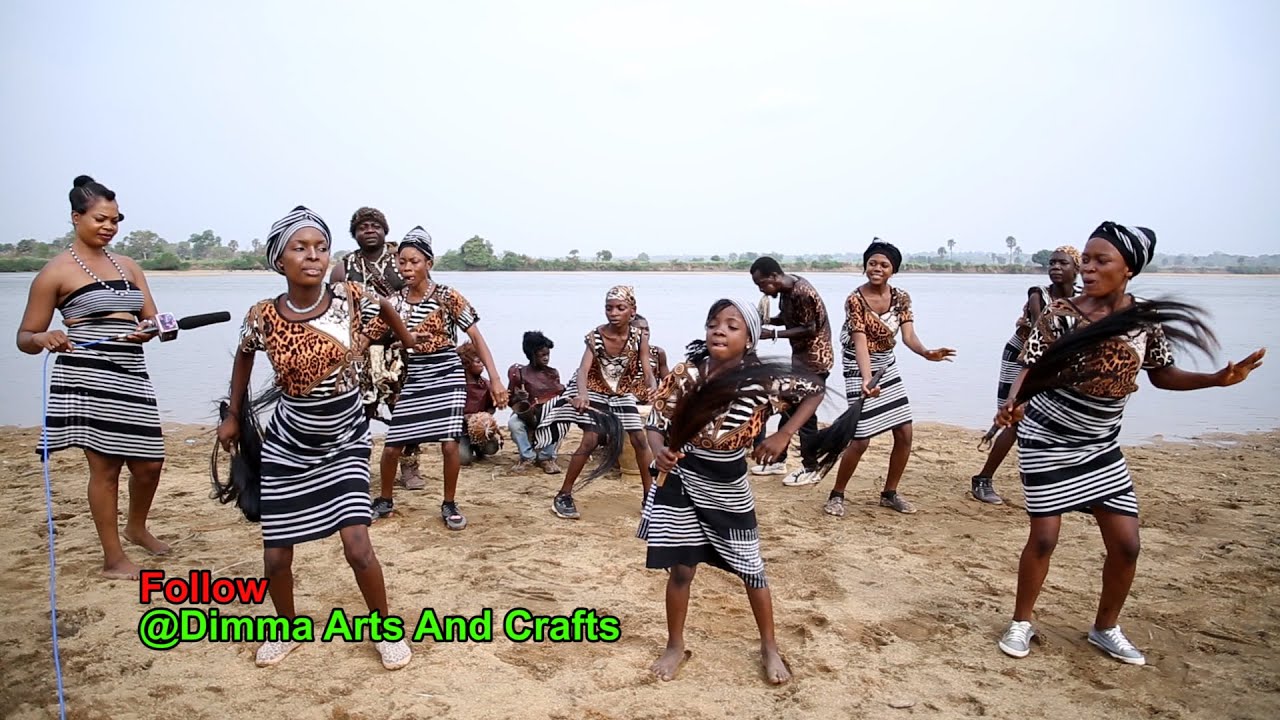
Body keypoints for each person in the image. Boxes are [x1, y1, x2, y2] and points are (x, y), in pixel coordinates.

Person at [993, 222, 1265, 665]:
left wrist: (1217, 380)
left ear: (1129, 270)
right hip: (1049, 438)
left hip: (1101, 444)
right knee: (1044, 538)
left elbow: (1162, 374)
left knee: (1127, 545)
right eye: (1087, 259)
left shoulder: (1144, 319)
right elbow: (1029, 368)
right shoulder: (1061, 314)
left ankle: (1105, 628)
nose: (1088, 268)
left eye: (1102, 261)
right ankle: (1022, 621)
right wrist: (1011, 403)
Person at [217, 205, 417, 669]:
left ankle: (386, 630)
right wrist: (233, 414)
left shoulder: (350, 299)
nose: (313, 256)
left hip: (345, 438)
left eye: (321, 247)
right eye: (300, 248)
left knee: (357, 546)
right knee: (276, 557)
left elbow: (387, 308)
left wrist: (404, 338)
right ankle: (285, 628)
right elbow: (244, 358)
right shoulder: (263, 315)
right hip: (289, 443)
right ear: (278, 260)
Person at [641, 299, 824, 684]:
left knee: (751, 570)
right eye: (713, 324)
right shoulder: (687, 372)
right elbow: (656, 422)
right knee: (680, 570)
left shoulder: (763, 380)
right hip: (683, 479)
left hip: (728, 482)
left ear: (750, 338)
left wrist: (784, 434)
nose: (719, 331)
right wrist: (660, 453)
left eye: (731, 326)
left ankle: (769, 647)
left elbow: (815, 390)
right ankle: (675, 646)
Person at [17, 175, 170, 580]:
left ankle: (136, 527)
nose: (109, 226)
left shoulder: (130, 266)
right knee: (105, 470)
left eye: (116, 220)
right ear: (76, 217)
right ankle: (113, 559)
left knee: (150, 464)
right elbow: (24, 337)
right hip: (86, 377)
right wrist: (45, 336)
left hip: (131, 373)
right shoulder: (55, 273)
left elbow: (152, 319)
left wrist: (154, 328)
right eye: (101, 218)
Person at [370, 227, 507, 528]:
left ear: (428, 264)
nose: (406, 268)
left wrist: (495, 378)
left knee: (448, 444)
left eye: (414, 261)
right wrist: (400, 339)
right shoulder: (394, 302)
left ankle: (449, 503)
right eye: (401, 262)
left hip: (447, 371)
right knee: (393, 444)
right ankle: (384, 500)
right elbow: (372, 337)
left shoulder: (448, 296)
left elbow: (476, 336)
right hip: (416, 373)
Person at [823, 241, 955, 516]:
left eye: (884, 265)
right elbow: (859, 341)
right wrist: (867, 379)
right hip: (857, 366)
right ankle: (837, 495)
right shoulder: (855, 299)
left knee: (905, 432)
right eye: (872, 263)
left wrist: (926, 352)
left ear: (893, 270)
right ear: (865, 266)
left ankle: (889, 493)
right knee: (861, 439)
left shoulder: (902, 297)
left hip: (887, 363)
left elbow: (908, 336)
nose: (877, 269)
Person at [970, 246, 1080, 504]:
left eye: (1063, 263)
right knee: (1014, 419)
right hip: (1023, 357)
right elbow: (1040, 333)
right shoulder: (1038, 295)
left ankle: (1063, 482)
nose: (1055, 267)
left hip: (1055, 363)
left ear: (1077, 268)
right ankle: (983, 479)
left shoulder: (1084, 298)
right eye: (1052, 263)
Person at [537, 285, 656, 519]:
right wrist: (581, 394)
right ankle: (563, 495)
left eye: (620, 308)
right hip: (593, 389)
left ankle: (649, 499)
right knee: (590, 438)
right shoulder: (596, 336)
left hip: (620, 392)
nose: (613, 313)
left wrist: (652, 385)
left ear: (632, 311)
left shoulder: (639, 337)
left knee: (640, 440)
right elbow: (583, 369)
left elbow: (646, 367)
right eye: (609, 308)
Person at [331, 207, 423, 489]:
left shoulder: (402, 260)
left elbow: (420, 295)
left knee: (405, 409)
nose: (369, 230)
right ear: (354, 233)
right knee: (356, 409)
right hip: (359, 351)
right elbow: (335, 312)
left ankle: (409, 467)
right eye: (362, 227)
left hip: (399, 348)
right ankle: (353, 466)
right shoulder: (344, 267)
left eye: (374, 225)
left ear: (385, 230)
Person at [748, 256, 833, 484]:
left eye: (762, 284)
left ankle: (811, 467)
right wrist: (763, 322)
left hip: (815, 360)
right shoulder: (786, 291)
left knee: (805, 417)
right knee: (788, 405)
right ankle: (778, 460)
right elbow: (788, 320)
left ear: (775, 276)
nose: (762, 290)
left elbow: (809, 328)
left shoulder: (801, 292)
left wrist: (773, 334)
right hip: (800, 360)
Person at [507, 331, 565, 474]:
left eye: (547, 355)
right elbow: (510, 401)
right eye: (542, 355)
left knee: (558, 420)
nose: (546, 358)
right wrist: (519, 397)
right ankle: (527, 457)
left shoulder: (552, 373)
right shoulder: (519, 373)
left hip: (547, 415)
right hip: (527, 416)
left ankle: (547, 457)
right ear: (532, 355)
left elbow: (559, 397)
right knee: (514, 423)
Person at [457, 341, 502, 465]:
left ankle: (479, 447)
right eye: (478, 361)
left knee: (492, 448)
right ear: (466, 364)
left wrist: (485, 418)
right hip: (461, 431)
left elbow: (491, 407)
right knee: (463, 459)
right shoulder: (458, 385)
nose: (482, 364)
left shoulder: (486, 384)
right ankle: (465, 446)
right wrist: (466, 417)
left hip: (481, 429)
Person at [631, 314, 669, 384]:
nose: (645, 332)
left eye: (647, 329)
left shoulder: (658, 353)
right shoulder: (619, 354)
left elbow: (668, 385)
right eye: (640, 329)